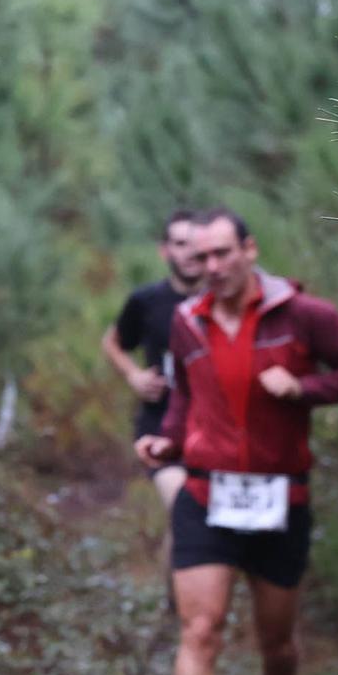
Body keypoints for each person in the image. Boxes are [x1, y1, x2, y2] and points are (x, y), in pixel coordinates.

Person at [134, 208, 338, 675]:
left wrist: (304, 389)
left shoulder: (304, 316)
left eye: (222, 254)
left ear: (249, 250)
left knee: (277, 642)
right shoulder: (187, 322)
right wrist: (168, 440)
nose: (210, 267)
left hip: (279, 499)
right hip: (206, 495)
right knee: (200, 627)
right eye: (201, 258)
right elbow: (186, 401)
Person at [102, 210, 205, 509]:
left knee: (200, 526)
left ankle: (176, 556)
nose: (190, 252)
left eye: (196, 243)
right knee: (183, 506)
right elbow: (112, 341)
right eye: (181, 243)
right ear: (165, 251)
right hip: (161, 426)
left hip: (215, 430)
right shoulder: (147, 301)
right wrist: (134, 375)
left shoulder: (224, 301)